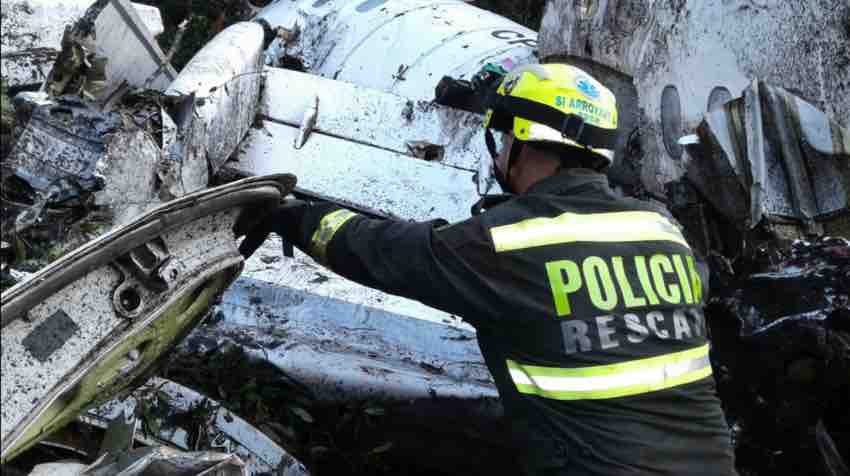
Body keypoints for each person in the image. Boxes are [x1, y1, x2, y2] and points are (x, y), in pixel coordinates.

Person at [237, 63, 736, 475]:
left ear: (524, 138)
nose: (496, 153)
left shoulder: (509, 243)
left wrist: (293, 216)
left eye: (500, 136)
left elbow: (380, 251)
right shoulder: (664, 234)